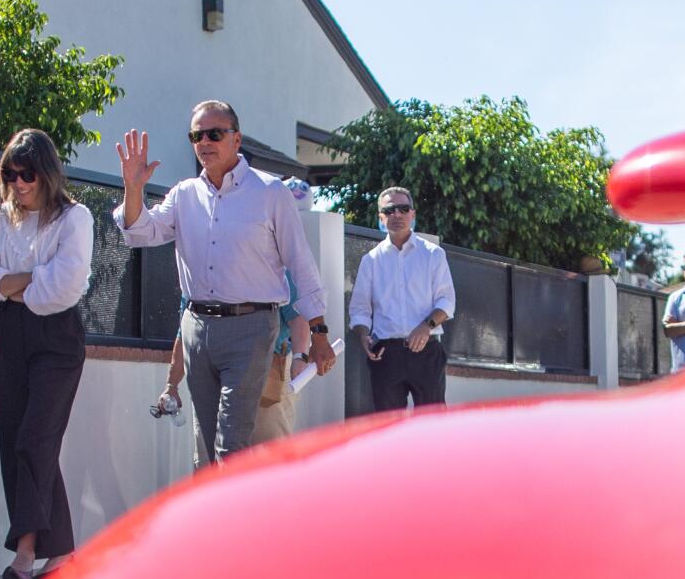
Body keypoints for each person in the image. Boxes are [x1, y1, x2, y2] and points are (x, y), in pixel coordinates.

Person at [115, 101, 335, 464]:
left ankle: (235, 520)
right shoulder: (185, 193)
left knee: (230, 445)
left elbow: (301, 263)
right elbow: (140, 233)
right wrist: (133, 188)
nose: (204, 142)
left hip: (251, 328)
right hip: (197, 327)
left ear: (237, 138)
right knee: (207, 445)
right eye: (196, 135)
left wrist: (319, 334)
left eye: (214, 133)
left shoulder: (269, 192)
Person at [0, 129, 94, 579]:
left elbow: (65, 285)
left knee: (36, 440)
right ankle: (60, 554)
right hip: (11, 333)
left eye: (28, 174)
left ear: (47, 172)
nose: (19, 183)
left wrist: (8, 279)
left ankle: (25, 551)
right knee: (15, 440)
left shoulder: (74, 218)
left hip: (57, 335)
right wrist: (24, 279)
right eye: (10, 174)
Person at [349, 186, 456, 412]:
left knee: (432, 425)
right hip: (386, 355)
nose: (397, 215)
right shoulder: (371, 260)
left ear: (412, 214)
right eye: (389, 211)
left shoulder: (433, 254)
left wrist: (426, 326)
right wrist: (362, 336)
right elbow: (359, 310)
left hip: (426, 352)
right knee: (388, 429)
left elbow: (446, 301)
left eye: (403, 209)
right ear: (381, 217)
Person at [250, 178, 319, 445]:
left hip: (276, 366)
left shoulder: (279, 261)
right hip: (242, 365)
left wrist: (300, 357)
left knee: (272, 448)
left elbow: (299, 314)